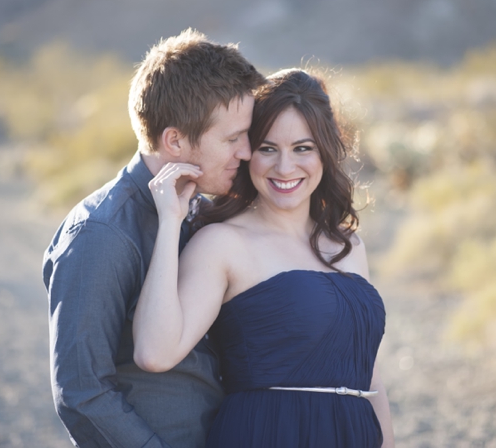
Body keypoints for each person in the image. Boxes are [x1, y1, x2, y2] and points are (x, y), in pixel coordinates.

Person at [133, 69, 395, 447]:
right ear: (246, 153)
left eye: (302, 148)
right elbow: (154, 353)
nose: (285, 168)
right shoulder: (223, 243)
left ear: (325, 150)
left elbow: (367, 376)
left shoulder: (348, 245)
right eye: (267, 149)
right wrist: (170, 222)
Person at [43, 28, 267, 448]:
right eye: (233, 138)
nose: (246, 153)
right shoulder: (100, 234)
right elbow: (81, 393)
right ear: (175, 140)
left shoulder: (201, 211)